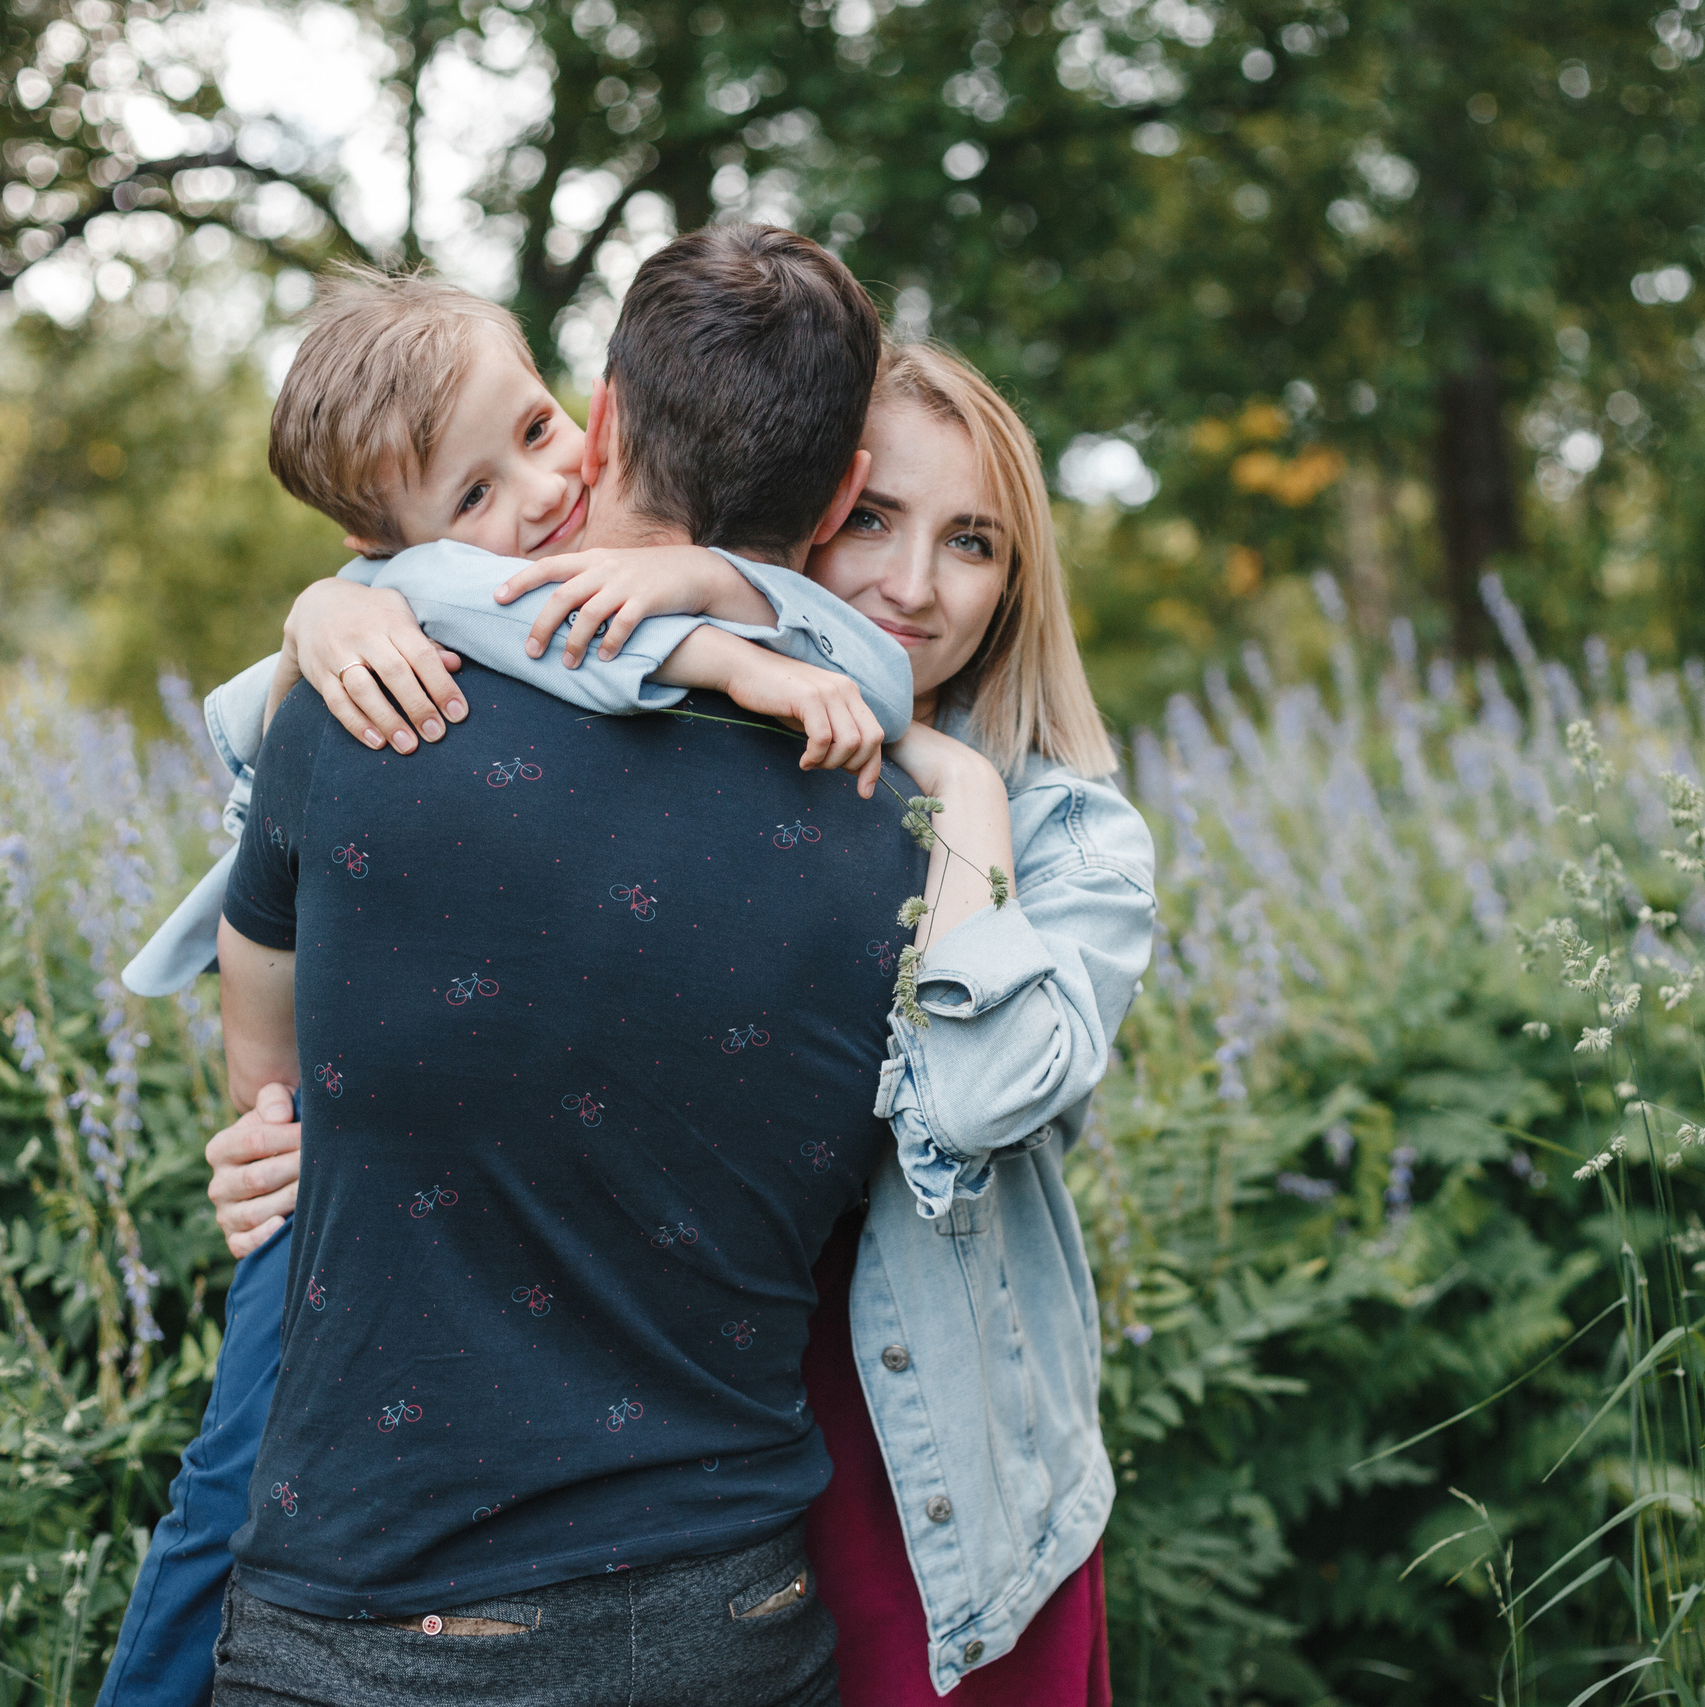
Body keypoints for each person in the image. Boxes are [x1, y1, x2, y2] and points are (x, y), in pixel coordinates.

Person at [202, 341, 1157, 1701]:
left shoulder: (1067, 833)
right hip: (689, 1455)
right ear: (813, 508)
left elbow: (984, 1096)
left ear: (1016, 583)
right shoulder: (659, 719)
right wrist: (338, 607)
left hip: (935, 1467)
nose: (911, 585)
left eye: (973, 543)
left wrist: (957, 791)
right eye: (874, 520)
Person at [99, 237, 916, 1707]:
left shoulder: (366, 712)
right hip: (744, 1607)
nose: (536, 494)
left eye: (539, 435)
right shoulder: (905, 815)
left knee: (226, 1489)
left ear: (598, 412)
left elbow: (266, 940)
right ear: (845, 494)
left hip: (383, 1621)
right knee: (217, 1485)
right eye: (474, 493)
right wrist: (278, 1115)